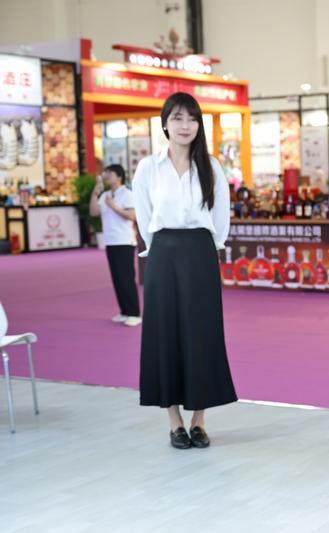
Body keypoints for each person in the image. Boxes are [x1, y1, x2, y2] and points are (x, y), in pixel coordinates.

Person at [133, 92, 237, 450]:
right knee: (165, 334)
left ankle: (199, 420)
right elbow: (144, 216)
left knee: (201, 334)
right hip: (162, 253)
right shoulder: (149, 167)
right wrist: (156, 247)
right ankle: (174, 420)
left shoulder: (211, 166)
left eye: (191, 119)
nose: (185, 125)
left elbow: (221, 216)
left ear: (199, 125)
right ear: (165, 123)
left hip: (200, 253)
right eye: (177, 118)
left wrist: (210, 246)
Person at [90, 164, 141, 327]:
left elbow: (132, 216)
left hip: (124, 241)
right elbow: (93, 212)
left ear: (119, 176)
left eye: (109, 174)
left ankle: (134, 313)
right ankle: (124, 311)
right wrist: (95, 192)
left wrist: (113, 206)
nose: (106, 176)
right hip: (110, 241)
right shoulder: (105, 194)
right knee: (117, 278)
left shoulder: (127, 194)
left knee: (126, 278)